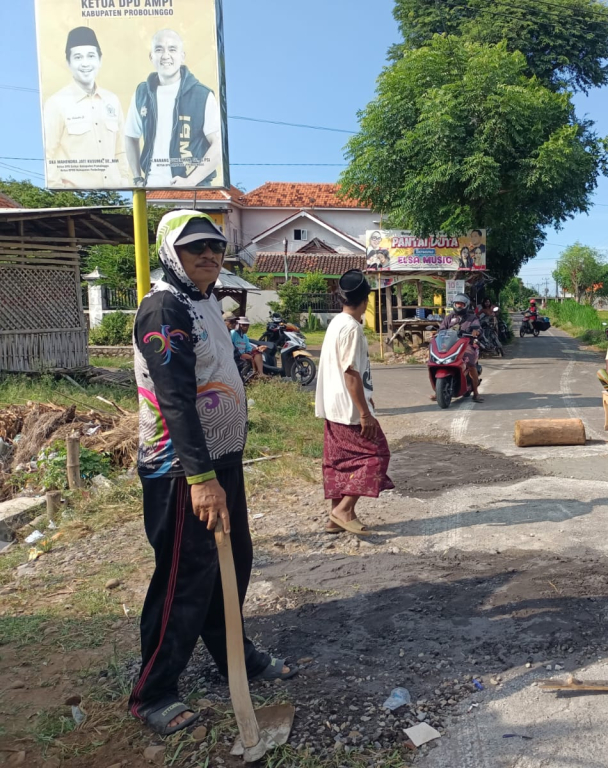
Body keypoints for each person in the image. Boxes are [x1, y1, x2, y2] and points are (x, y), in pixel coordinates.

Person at [129, 210, 295, 737]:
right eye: (193, 247)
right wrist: (200, 479)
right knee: (183, 577)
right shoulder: (164, 308)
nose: (208, 255)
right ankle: (153, 691)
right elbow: (174, 399)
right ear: (168, 252)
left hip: (219, 460)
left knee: (232, 563)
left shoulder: (203, 303)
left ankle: (233, 658)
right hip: (181, 470)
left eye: (216, 247)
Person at [316, 270, 394, 534]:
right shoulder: (352, 328)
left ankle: (333, 519)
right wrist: (364, 413)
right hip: (349, 409)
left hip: (333, 406)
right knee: (377, 455)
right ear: (366, 299)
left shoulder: (336, 322)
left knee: (340, 461)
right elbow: (351, 373)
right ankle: (344, 509)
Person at [125, 29, 222, 188]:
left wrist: (191, 181)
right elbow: (130, 136)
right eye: (159, 49)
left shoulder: (202, 95)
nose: (165, 55)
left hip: (194, 193)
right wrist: (137, 177)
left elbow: (218, 147)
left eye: (172, 49)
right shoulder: (141, 93)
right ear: (151, 57)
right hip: (151, 191)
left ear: (182, 56)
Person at [42, 27, 128, 189]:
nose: (85, 63)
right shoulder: (56, 103)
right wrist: (60, 189)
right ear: (68, 62)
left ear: (100, 60)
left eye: (91, 56)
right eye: (78, 57)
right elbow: (48, 154)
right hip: (76, 197)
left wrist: (124, 182)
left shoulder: (112, 100)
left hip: (115, 195)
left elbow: (120, 150)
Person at [431, 293, 483, 403]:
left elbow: (478, 329)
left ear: (466, 305)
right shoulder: (449, 317)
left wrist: (476, 331)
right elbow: (441, 329)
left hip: (467, 344)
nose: (459, 306)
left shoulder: (472, 318)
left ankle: (476, 393)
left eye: (461, 304)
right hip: (451, 344)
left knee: (471, 364)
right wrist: (436, 334)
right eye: (457, 303)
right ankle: (439, 392)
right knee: (438, 361)